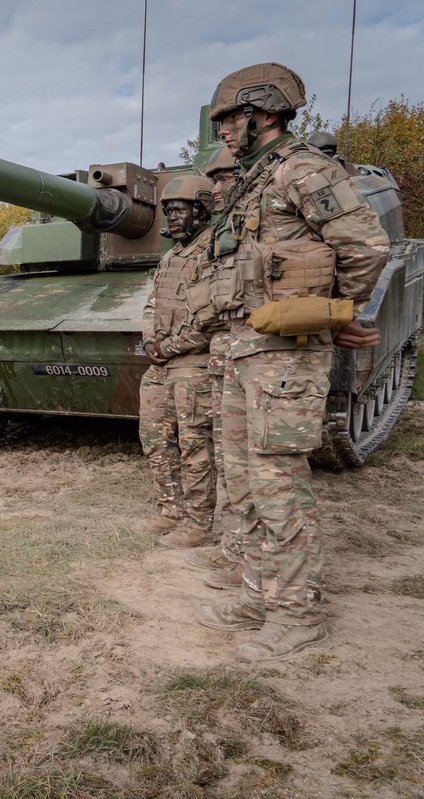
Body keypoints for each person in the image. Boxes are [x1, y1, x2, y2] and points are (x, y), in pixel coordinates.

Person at [193, 63, 389, 661]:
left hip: (282, 353)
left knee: (277, 481)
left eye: (230, 120)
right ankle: (259, 592)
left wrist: (333, 314)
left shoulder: (305, 170)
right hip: (240, 347)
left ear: (266, 113)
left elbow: (365, 246)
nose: (223, 131)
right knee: (242, 478)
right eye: (221, 122)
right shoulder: (255, 180)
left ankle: (297, 614)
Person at [138, 176, 218, 548]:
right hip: (161, 363)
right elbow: (153, 303)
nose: (171, 217)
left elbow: (210, 317)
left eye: (179, 210)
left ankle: (199, 522)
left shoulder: (212, 252)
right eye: (167, 211)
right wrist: (150, 339)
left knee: (193, 445)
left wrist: (168, 347)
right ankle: (170, 509)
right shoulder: (172, 255)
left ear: (201, 209)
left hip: (193, 363)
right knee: (154, 437)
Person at [184, 146, 244, 589]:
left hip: (263, 345)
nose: (217, 189)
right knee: (230, 456)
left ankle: (256, 568)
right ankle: (239, 554)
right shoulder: (216, 235)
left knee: (253, 465)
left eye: (225, 178)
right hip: (229, 348)